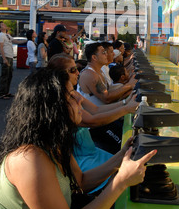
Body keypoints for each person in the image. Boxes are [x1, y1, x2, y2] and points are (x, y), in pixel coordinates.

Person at [0, 68, 156, 209]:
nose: (80, 98)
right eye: (70, 96)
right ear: (51, 108)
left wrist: (122, 157)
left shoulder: (53, 143)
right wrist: (121, 181)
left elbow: (81, 181)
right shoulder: (28, 160)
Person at [47, 53, 139, 192]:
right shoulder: (62, 101)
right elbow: (92, 120)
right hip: (83, 158)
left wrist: (126, 103)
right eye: (73, 70)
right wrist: (126, 108)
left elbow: (96, 110)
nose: (78, 72)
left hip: (91, 150)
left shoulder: (72, 93)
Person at [0, 21, 24, 100]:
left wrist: (25, 41)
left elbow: (15, 41)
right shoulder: (1, 35)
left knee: (9, 75)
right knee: (4, 76)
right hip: (6, 57)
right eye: (2, 25)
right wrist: (4, 59)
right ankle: (2, 93)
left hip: (10, 57)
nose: (4, 25)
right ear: (0, 28)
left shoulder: (7, 35)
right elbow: (1, 47)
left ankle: (6, 92)